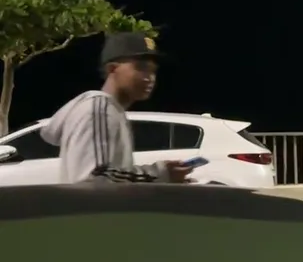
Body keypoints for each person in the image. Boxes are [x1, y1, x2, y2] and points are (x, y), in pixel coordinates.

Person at [40, 32, 192, 184]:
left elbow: (111, 176)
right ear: (112, 69)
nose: (149, 77)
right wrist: (158, 174)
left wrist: (163, 176)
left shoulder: (111, 110)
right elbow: (96, 177)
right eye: (141, 68)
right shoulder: (99, 109)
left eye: (153, 71)